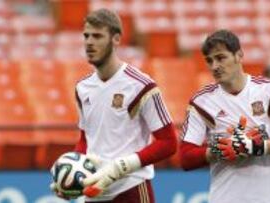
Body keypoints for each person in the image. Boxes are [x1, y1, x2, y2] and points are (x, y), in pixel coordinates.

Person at [50, 8, 177, 203]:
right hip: (95, 193)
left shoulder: (141, 85)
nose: (89, 42)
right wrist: (69, 174)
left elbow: (168, 142)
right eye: (86, 36)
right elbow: (86, 140)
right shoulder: (83, 88)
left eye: (97, 36)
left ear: (116, 39)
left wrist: (122, 166)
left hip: (132, 189)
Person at [179, 29, 270, 203]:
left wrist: (254, 147)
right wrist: (220, 150)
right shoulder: (201, 101)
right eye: (209, 61)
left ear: (239, 55)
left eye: (221, 57)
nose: (214, 66)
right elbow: (186, 158)